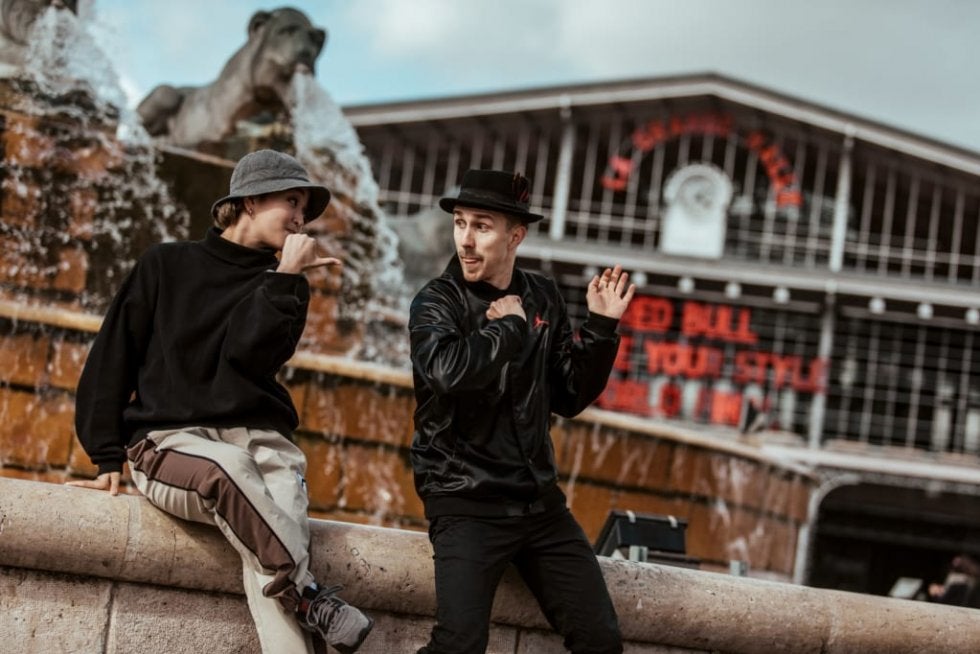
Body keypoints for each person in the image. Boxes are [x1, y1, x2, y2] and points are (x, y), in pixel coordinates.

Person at [68, 149, 374, 654]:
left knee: (274, 541)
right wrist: (105, 456)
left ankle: (300, 596)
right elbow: (112, 356)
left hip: (264, 443)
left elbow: (245, 357)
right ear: (250, 201)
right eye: (292, 202)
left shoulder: (286, 287)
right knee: (231, 472)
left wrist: (284, 279)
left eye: (305, 209)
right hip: (171, 443)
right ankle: (307, 592)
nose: (300, 219)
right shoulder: (166, 263)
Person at [409, 169, 636, 653]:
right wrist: (508, 330)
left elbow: (568, 396)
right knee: (459, 645)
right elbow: (447, 373)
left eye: (482, 226)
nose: (466, 240)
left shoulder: (543, 296)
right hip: (465, 500)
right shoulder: (436, 301)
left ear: (516, 236)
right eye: (460, 223)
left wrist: (600, 328)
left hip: (539, 506)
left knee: (600, 641)